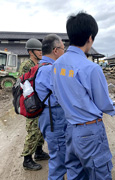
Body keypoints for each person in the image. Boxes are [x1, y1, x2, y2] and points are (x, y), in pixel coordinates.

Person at [51, 12, 115, 180]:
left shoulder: (56, 65)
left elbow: (58, 94)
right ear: (90, 38)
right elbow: (102, 103)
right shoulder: (91, 68)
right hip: (90, 132)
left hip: (70, 128)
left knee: (75, 173)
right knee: (99, 173)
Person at [35, 34, 67, 179]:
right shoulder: (49, 70)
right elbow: (64, 96)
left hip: (52, 117)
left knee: (60, 155)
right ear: (55, 50)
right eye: (63, 48)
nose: (64, 51)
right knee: (59, 159)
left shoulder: (44, 66)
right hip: (55, 118)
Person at [19, 38, 49, 171]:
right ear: (31, 52)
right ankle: (27, 159)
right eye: (38, 50)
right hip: (31, 102)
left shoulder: (41, 63)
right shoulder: (27, 65)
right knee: (32, 131)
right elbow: (23, 84)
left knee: (41, 129)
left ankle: (39, 151)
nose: (41, 52)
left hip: (41, 101)